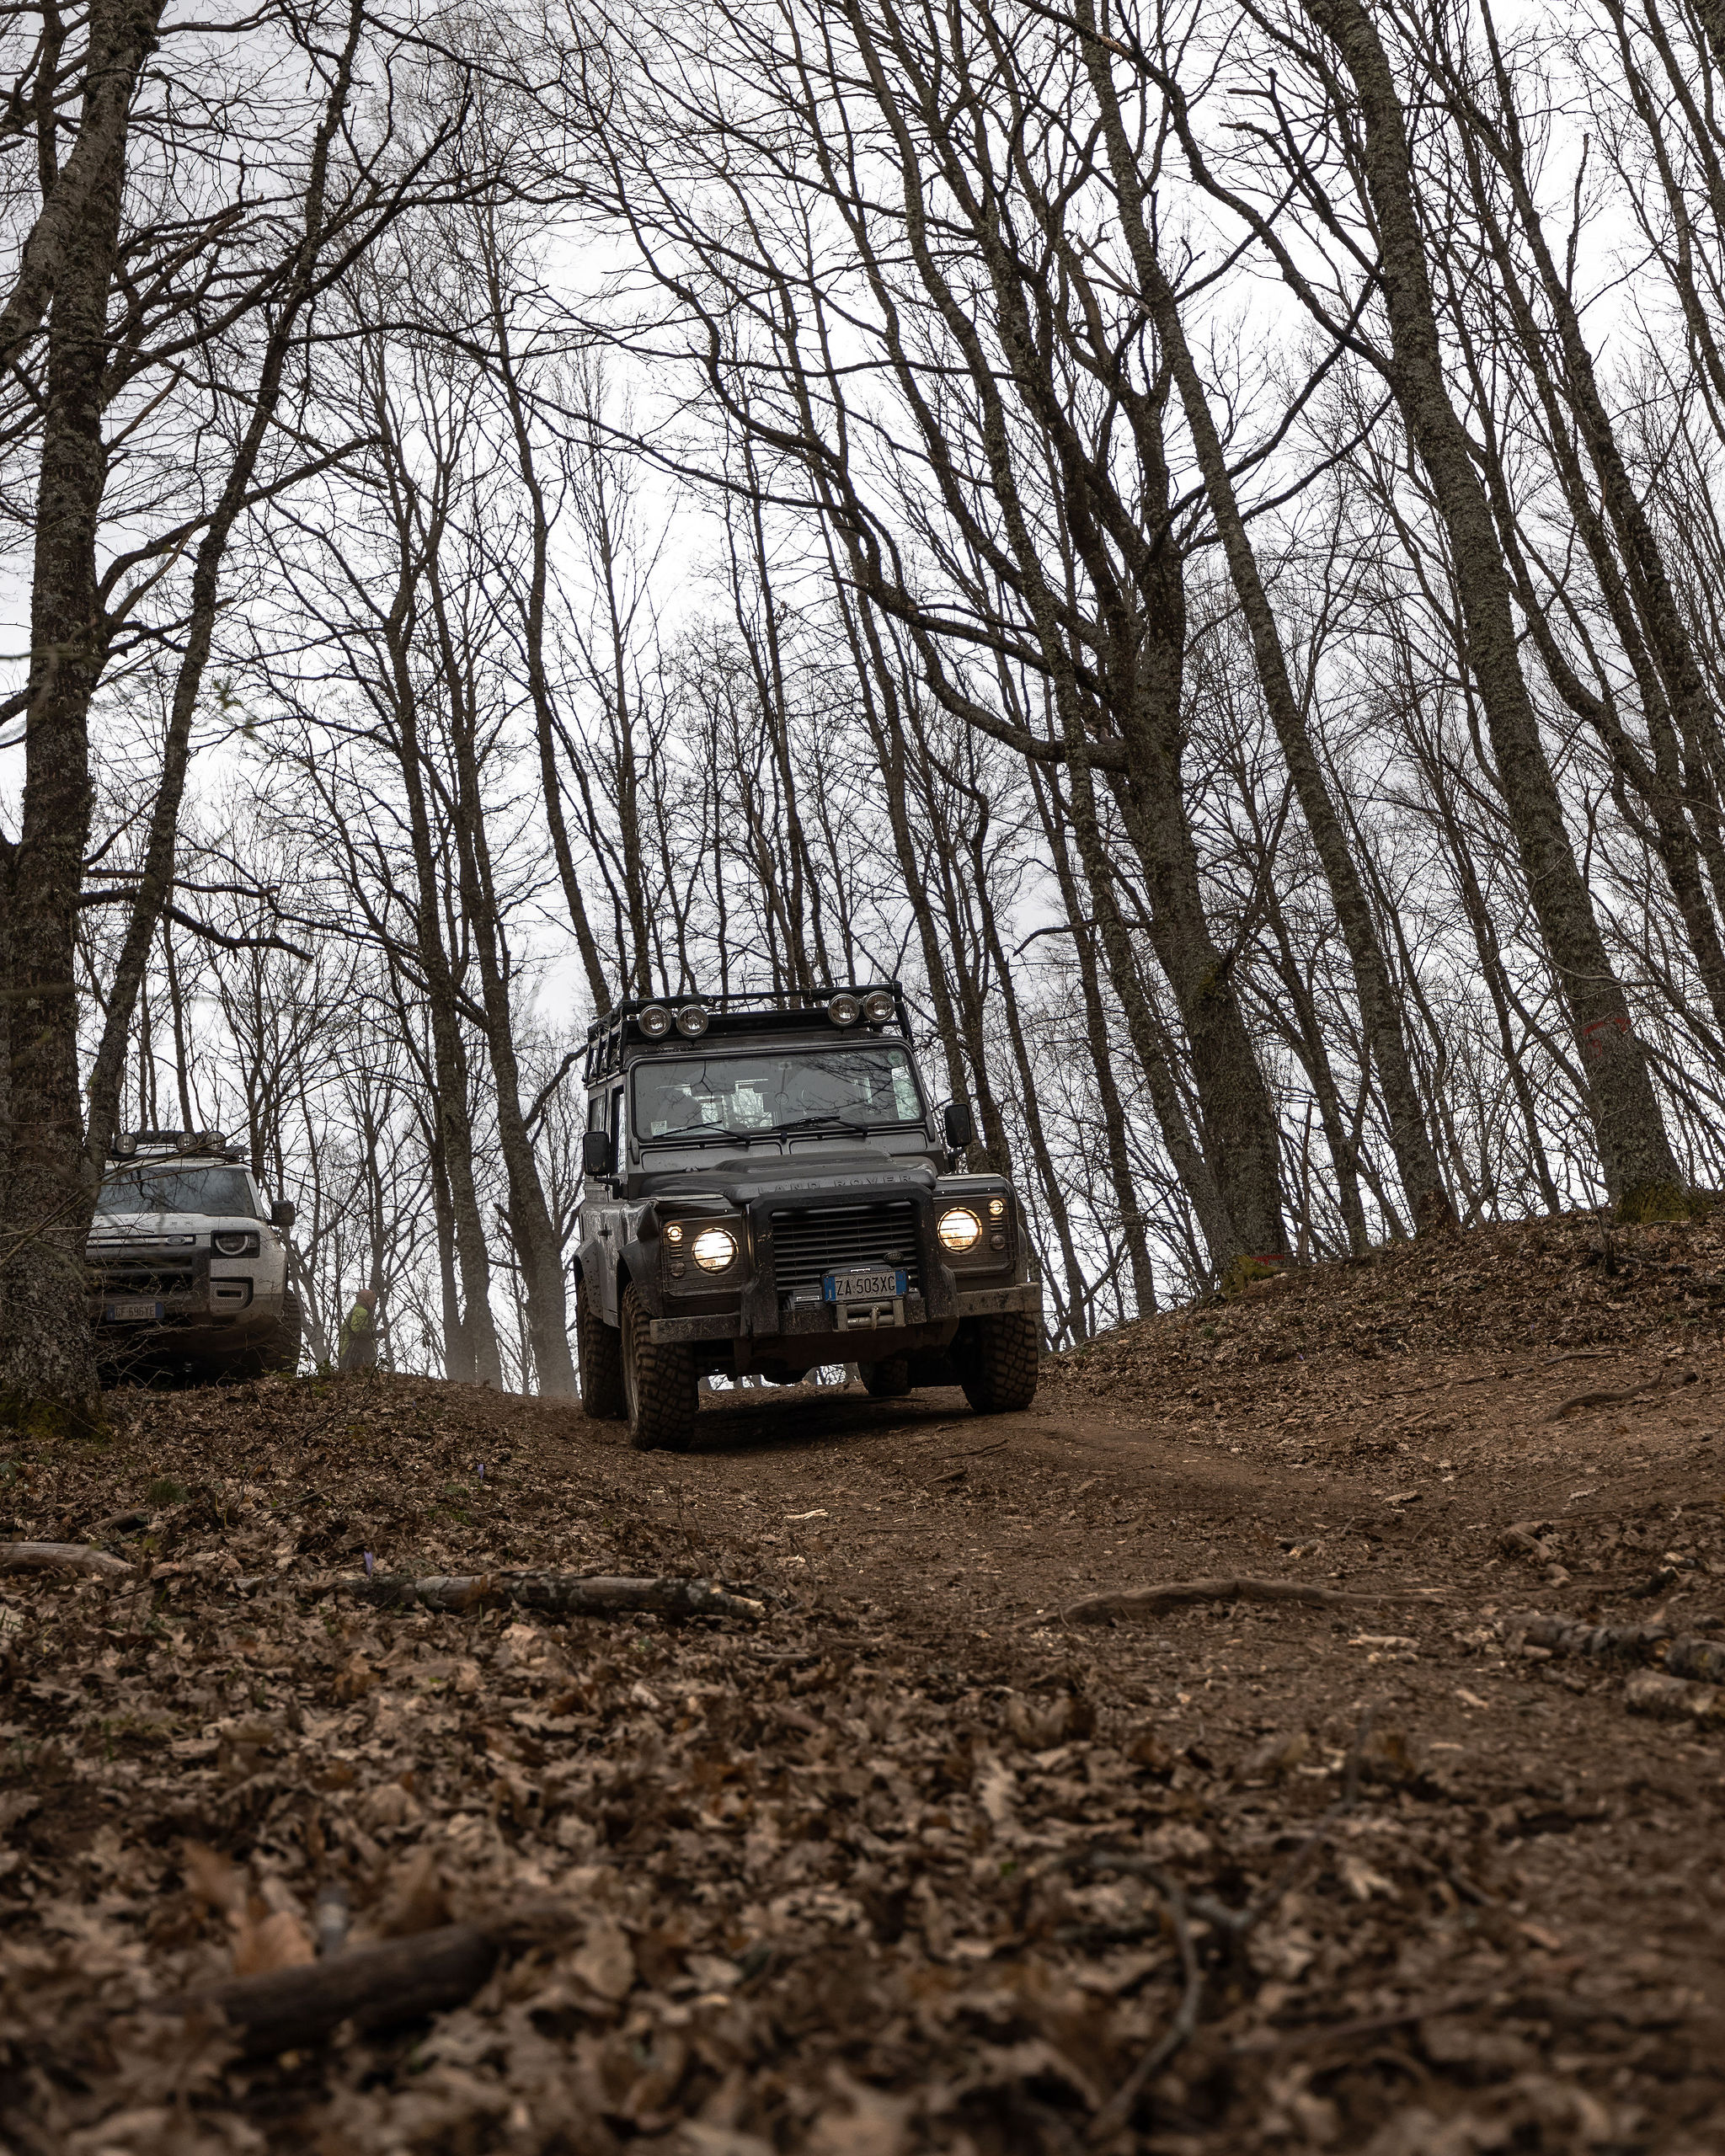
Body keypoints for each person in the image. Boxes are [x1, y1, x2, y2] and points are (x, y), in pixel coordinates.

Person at [338, 1286, 379, 1372]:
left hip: (348, 1352)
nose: (374, 1304)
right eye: (373, 1301)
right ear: (367, 1300)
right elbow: (358, 1332)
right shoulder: (361, 1312)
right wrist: (377, 1334)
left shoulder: (356, 1310)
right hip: (355, 1353)